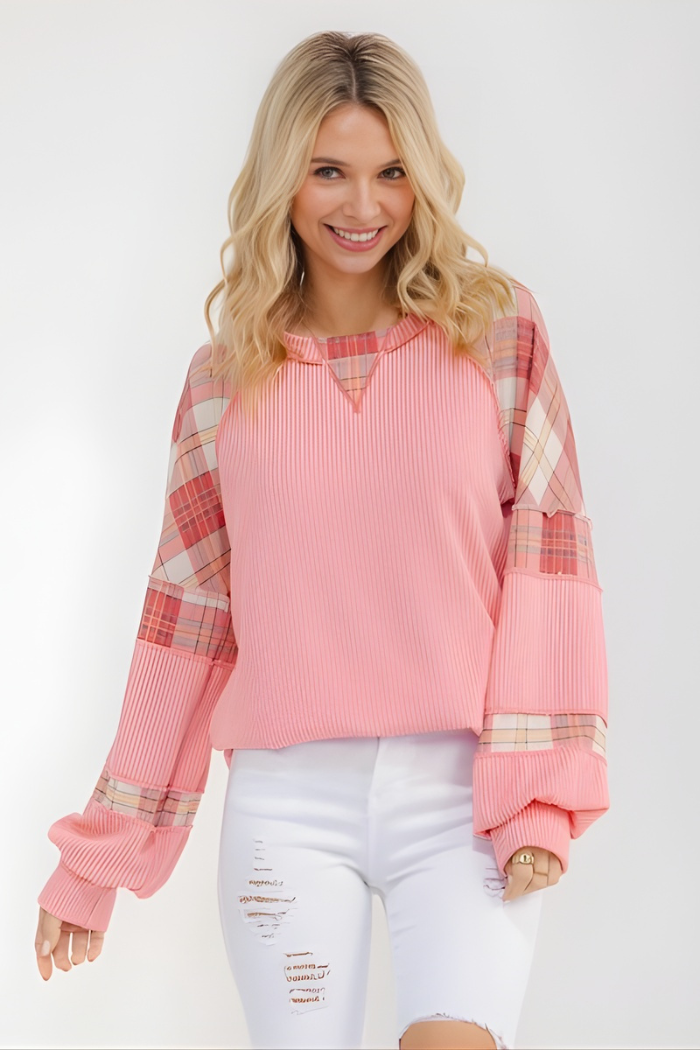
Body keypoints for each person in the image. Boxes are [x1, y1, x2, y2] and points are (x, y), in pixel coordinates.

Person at [34, 30, 610, 1050]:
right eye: (328, 171)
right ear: (281, 178)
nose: (363, 205)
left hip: (463, 799)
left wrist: (538, 797)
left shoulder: (497, 334)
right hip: (287, 809)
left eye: (392, 172)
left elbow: (550, 565)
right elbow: (188, 624)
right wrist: (97, 859)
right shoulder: (222, 382)